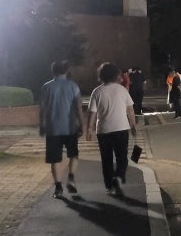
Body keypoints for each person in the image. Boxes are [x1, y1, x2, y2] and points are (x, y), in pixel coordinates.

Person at [86, 62, 137, 195]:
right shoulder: (122, 90)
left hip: (103, 130)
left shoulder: (97, 91)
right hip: (121, 128)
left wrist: (89, 129)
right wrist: (133, 125)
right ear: (115, 75)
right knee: (122, 157)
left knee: (106, 159)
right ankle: (118, 177)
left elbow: (92, 113)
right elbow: (130, 110)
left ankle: (110, 186)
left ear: (101, 75)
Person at [39, 60, 84, 198]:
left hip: (53, 129)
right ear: (66, 71)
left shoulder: (46, 87)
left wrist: (42, 125)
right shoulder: (73, 86)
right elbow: (78, 108)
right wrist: (82, 124)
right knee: (74, 155)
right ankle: (71, 178)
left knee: (54, 159)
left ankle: (58, 188)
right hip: (70, 127)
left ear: (53, 71)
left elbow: (43, 109)